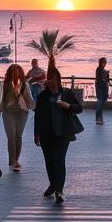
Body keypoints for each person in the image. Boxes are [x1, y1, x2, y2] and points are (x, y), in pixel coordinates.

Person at [33, 68, 83, 205]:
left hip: (63, 133)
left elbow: (79, 108)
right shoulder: (42, 96)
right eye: (49, 78)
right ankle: (52, 185)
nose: (51, 81)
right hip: (46, 133)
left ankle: (59, 190)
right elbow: (38, 116)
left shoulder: (66, 93)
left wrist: (68, 106)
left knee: (59, 160)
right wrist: (36, 134)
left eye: (54, 78)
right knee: (49, 160)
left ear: (58, 79)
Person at [1, 64, 33, 171]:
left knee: (18, 136)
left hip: (22, 113)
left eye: (17, 71)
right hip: (8, 112)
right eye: (13, 71)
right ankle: (12, 161)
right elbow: (2, 102)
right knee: (11, 136)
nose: (15, 73)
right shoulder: (5, 84)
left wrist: (21, 91)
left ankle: (16, 160)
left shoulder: (24, 84)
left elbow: (30, 101)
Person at [94, 57, 110, 126]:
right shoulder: (98, 69)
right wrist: (105, 77)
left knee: (102, 103)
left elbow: (106, 79)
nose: (105, 63)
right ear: (101, 62)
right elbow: (100, 78)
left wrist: (106, 73)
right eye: (104, 62)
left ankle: (100, 118)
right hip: (100, 88)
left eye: (106, 62)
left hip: (104, 88)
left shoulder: (103, 70)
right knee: (100, 102)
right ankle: (98, 118)